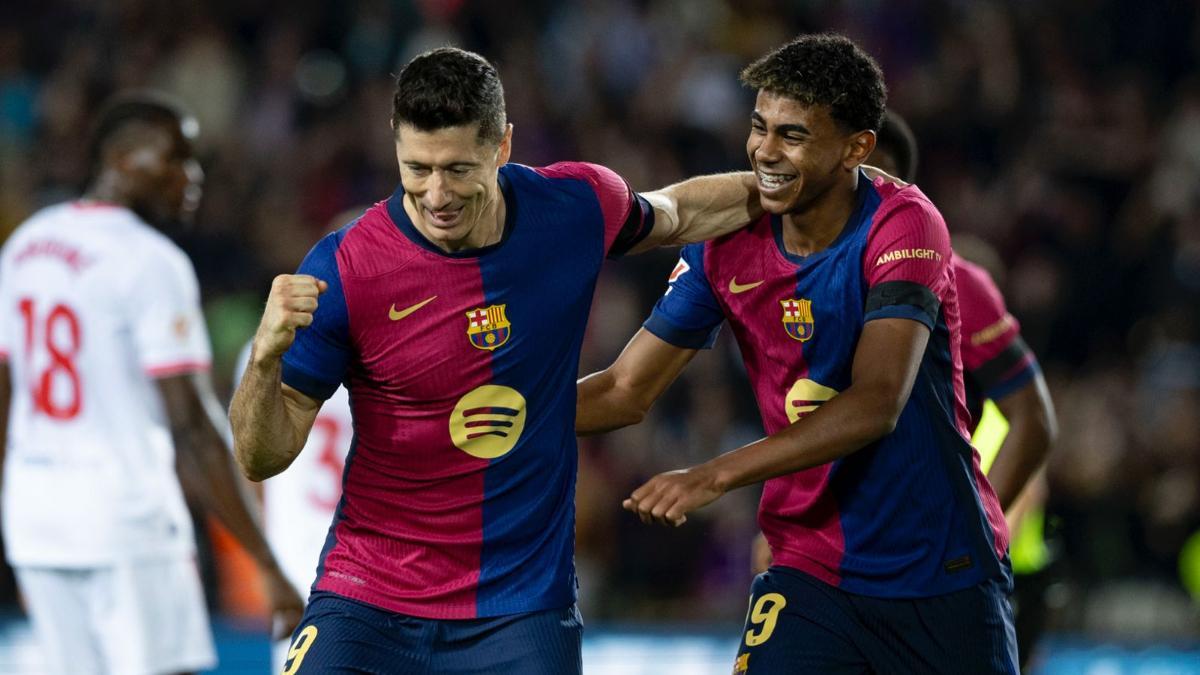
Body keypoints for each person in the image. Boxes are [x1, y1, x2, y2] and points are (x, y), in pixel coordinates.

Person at [229, 47, 760, 674]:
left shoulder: (572, 207)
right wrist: (264, 360)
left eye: (457, 169)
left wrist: (808, 178)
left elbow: (680, 211)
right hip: (368, 597)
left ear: (502, 146)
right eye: (416, 168)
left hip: (519, 609)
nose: (436, 194)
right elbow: (261, 457)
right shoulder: (346, 267)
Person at [577, 34, 1019, 673]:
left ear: (856, 148)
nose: (765, 151)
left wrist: (714, 474)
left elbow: (876, 404)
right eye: (759, 128)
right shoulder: (726, 240)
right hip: (810, 568)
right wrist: (505, 413)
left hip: (940, 570)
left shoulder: (905, 224)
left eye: (793, 135)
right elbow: (624, 390)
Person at [0, 93, 303, 674]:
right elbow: (191, 424)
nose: (191, 176)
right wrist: (266, 563)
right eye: (175, 158)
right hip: (126, 520)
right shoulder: (148, 261)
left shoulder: (25, 245)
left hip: (35, 519)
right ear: (121, 158)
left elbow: (11, 394)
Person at [750, 109, 1059, 668]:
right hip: (823, 563)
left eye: (875, 180)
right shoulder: (787, 271)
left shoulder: (954, 277)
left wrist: (984, 533)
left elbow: (1034, 417)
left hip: (932, 571)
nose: (859, 198)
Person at [231, 211, 359, 674]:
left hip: (294, 559)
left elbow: (250, 469)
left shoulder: (265, 350)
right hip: (374, 559)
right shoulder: (391, 354)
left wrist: (263, 561)